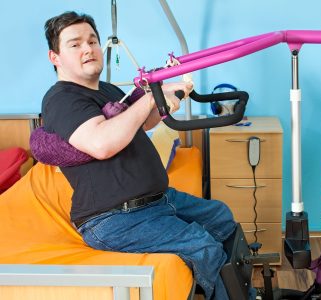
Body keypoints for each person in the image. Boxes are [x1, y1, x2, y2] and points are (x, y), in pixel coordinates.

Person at [42, 11, 237, 300]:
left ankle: (228, 287)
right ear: (55, 57)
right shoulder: (62, 99)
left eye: (93, 41)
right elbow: (101, 143)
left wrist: (171, 93)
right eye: (75, 44)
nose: (88, 49)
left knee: (220, 216)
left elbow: (143, 123)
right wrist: (147, 98)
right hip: (112, 219)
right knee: (203, 246)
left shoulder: (107, 90)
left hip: (157, 201)